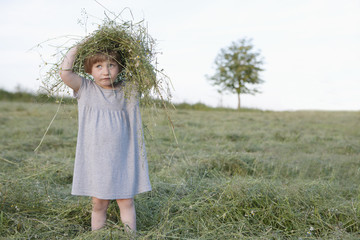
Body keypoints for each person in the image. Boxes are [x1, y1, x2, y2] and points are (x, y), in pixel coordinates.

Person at [59, 45, 152, 232]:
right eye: (98, 66)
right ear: (89, 70)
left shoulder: (129, 89)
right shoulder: (86, 88)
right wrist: (76, 49)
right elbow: (65, 73)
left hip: (124, 157)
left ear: (120, 68)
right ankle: (97, 235)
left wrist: (134, 50)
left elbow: (148, 77)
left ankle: (129, 235)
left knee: (126, 200)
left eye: (111, 65)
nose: (106, 71)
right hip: (96, 158)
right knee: (99, 202)